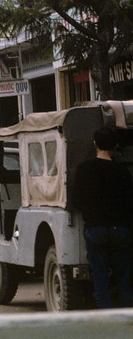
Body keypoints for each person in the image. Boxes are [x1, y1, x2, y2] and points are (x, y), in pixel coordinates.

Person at [71, 126, 133, 308]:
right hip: (120, 230)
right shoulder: (123, 172)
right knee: (124, 277)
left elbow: (77, 201)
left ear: (95, 143)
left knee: (100, 277)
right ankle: (126, 316)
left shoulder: (84, 169)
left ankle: (105, 316)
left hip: (96, 228)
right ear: (115, 146)